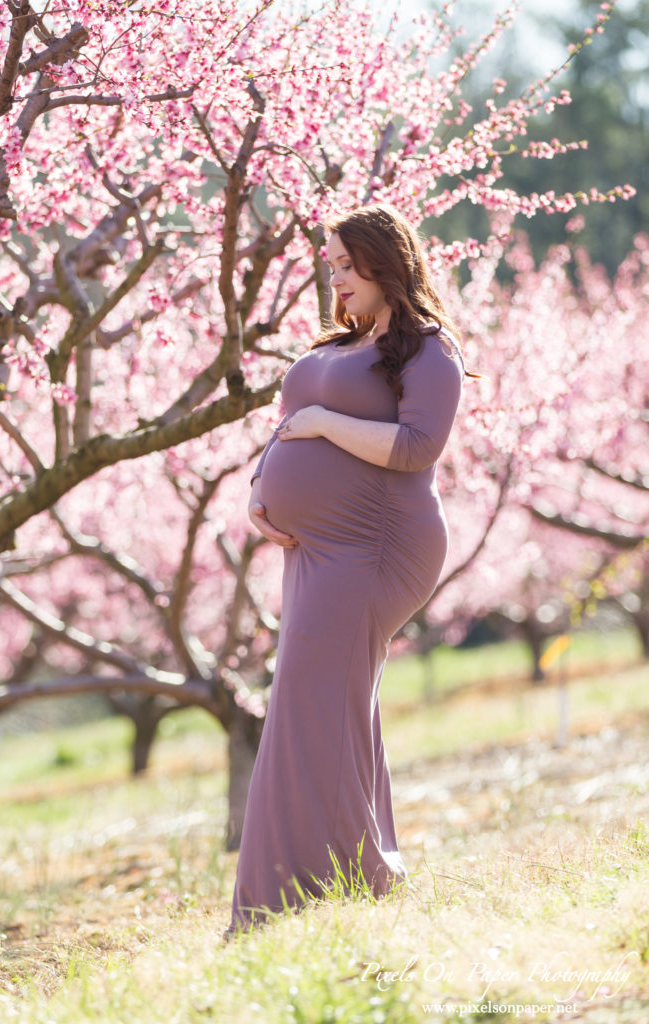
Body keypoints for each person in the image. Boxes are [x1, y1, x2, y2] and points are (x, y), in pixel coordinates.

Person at [225, 202, 468, 937]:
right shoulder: (343, 342)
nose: (332, 277)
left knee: (308, 704)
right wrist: (257, 494)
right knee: (329, 703)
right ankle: (348, 877)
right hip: (315, 552)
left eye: (342, 262)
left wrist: (326, 426)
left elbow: (419, 445)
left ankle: (295, 897)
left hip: (376, 546)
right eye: (327, 264)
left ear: (381, 260)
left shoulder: (429, 351)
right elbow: (285, 431)